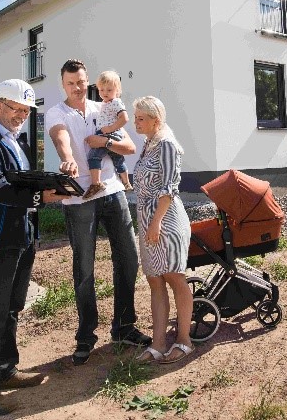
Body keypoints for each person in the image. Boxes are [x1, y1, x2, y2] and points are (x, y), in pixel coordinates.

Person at [0, 79, 64, 416]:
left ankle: (5, 370)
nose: (20, 114)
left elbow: (20, 182)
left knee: (11, 307)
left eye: (25, 110)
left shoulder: (14, 141)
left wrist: (47, 186)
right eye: (15, 108)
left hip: (20, 233)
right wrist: (40, 196)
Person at [45, 59, 151, 366]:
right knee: (85, 268)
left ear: (87, 81)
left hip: (112, 192)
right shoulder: (56, 112)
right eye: (70, 83)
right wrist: (67, 158)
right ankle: (86, 335)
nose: (77, 88)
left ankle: (124, 327)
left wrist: (103, 140)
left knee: (129, 258)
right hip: (79, 198)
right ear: (62, 85)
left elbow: (129, 146)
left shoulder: (102, 106)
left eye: (80, 82)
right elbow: (61, 137)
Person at [130, 96, 194, 364]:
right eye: (135, 118)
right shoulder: (148, 144)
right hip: (148, 220)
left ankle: (184, 340)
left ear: (156, 120)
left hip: (165, 219)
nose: (136, 123)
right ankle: (157, 344)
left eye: (141, 119)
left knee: (173, 277)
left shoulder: (166, 144)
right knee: (154, 279)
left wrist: (155, 222)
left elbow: (168, 187)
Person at [82, 70, 133, 199]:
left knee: (94, 157)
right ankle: (126, 183)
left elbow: (124, 118)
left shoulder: (116, 102)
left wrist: (110, 128)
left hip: (109, 134)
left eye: (109, 90)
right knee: (118, 160)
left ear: (117, 90)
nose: (105, 93)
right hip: (110, 133)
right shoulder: (105, 103)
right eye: (102, 90)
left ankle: (96, 184)